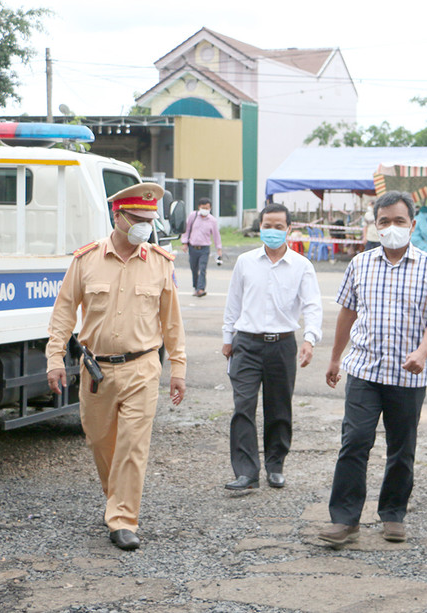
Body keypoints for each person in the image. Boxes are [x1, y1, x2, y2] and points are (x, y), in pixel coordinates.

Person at [45, 182, 187, 551]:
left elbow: (172, 322)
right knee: (99, 441)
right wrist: (55, 357)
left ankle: (123, 519)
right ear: (117, 216)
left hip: (142, 369)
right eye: (137, 219)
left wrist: (179, 367)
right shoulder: (86, 260)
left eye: (149, 220)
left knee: (132, 446)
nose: (145, 227)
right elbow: (63, 312)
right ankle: (116, 500)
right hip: (96, 371)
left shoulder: (159, 262)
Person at [319, 191, 427, 546]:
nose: (392, 227)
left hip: (408, 376)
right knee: (354, 442)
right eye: (384, 222)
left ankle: (393, 514)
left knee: (402, 447)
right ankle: (345, 519)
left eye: (399, 221)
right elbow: (347, 311)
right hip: (364, 370)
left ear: (412, 225)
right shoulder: (360, 264)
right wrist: (336, 356)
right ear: (375, 226)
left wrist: (423, 352)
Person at [221, 203, 323, 490]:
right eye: (268, 225)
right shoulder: (245, 262)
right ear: (260, 227)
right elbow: (233, 302)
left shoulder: (302, 266)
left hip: (282, 346)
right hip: (247, 344)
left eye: (279, 226)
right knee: (243, 406)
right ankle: (246, 472)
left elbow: (312, 305)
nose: (273, 231)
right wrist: (228, 339)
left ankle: (275, 466)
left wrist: (309, 339)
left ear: (289, 229)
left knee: (279, 409)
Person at [180, 197, 222, 297]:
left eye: (207, 208)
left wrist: (219, 249)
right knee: (194, 268)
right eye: (203, 207)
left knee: (202, 268)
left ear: (210, 208)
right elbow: (187, 230)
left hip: (205, 248)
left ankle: (201, 289)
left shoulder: (212, 220)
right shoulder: (192, 216)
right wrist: (184, 243)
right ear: (199, 207)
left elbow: (216, 235)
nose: (205, 210)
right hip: (193, 247)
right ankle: (196, 287)